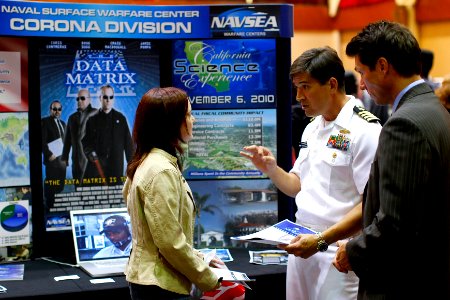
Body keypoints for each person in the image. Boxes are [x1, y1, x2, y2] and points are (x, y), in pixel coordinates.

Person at [240, 46, 382, 300]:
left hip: (337, 252)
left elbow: (370, 204)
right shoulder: (313, 127)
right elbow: (297, 185)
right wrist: (271, 169)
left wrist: (321, 241)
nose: (299, 96)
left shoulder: (365, 130)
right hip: (302, 245)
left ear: (331, 84)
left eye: (305, 86)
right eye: (297, 88)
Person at [333, 20, 450, 299]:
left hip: (402, 282)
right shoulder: (435, 109)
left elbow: (397, 223)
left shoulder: (404, 124)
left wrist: (352, 250)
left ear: (383, 66)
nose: (360, 83)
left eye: (362, 72)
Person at [123, 87, 223, 299]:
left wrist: (199, 258)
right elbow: (169, 243)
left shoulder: (145, 161)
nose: (193, 120)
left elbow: (158, 234)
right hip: (161, 285)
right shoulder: (161, 170)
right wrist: (209, 279)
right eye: (187, 114)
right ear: (169, 123)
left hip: (150, 280)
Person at [82, 85, 133, 185]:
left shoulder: (121, 119)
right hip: (97, 168)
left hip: (115, 167)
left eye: (111, 97)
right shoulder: (92, 120)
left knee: (115, 197)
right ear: (100, 98)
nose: (108, 100)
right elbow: (85, 142)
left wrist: (132, 167)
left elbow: (128, 145)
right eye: (105, 97)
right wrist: (90, 153)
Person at [61, 89, 98, 187]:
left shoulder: (97, 113)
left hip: (92, 161)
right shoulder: (72, 118)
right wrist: (65, 157)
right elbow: (67, 139)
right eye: (77, 99)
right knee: (78, 189)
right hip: (76, 160)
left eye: (82, 98)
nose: (79, 101)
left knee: (93, 190)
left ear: (89, 100)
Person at [41, 100, 67, 209]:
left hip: (62, 161)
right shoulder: (45, 121)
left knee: (60, 186)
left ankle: (54, 206)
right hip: (52, 160)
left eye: (59, 109)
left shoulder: (63, 124)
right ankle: (49, 207)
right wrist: (48, 154)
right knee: (51, 185)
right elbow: (41, 141)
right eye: (54, 109)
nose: (57, 111)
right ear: (50, 110)